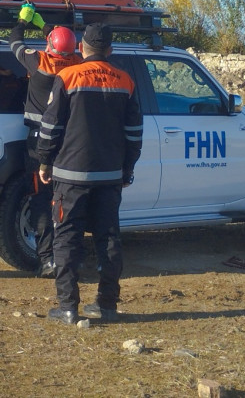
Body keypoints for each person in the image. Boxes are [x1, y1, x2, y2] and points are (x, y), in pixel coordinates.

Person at [37, 23, 142, 325]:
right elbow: (134, 133)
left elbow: (50, 127)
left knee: (66, 238)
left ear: (81, 48)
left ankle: (68, 307)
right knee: (108, 238)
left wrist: (44, 162)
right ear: (110, 49)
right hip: (109, 175)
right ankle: (107, 305)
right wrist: (127, 168)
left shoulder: (68, 76)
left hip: (70, 175)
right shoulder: (125, 81)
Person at [9, 4, 82, 278]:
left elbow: (14, 42)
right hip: (69, 140)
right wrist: (46, 28)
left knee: (41, 198)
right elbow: (63, 46)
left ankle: (46, 258)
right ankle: (69, 256)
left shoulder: (38, 61)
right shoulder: (78, 65)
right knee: (67, 198)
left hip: (39, 142)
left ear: (49, 46)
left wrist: (24, 21)